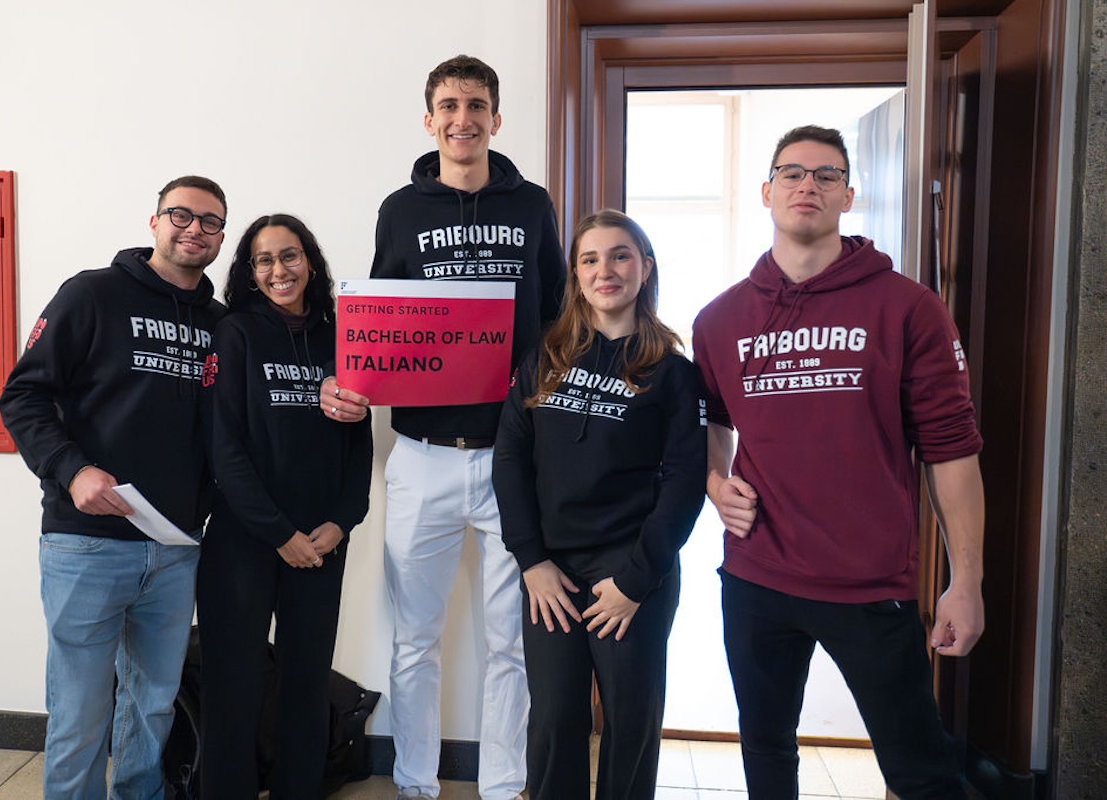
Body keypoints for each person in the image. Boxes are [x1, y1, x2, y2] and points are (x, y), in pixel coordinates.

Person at [692, 125, 985, 798]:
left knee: (919, 770)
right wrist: (714, 481)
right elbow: (712, 420)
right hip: (757, 579)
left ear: (848, 196)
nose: (809, 185)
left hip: (870, 584)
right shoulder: (719, 319)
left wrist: (966, 580)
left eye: (827, 175)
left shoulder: (908, 308)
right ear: (767, 191)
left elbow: (951, 450)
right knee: (766, 753)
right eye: (792, 173)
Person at [323, 54, 565, 800]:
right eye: (450, 106)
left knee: (510, 640)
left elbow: (558, 315)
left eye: (477, 105)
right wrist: (351, 382)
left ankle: (503, 785)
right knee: (414, 639)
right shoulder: (400, 209)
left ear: (497, 118)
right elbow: (380, 316)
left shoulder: (533, 205)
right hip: (421, 453)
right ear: (430, 121)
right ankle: (415, 784)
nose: (464, 119)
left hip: (512, 456)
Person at [0, 176, 229, 799]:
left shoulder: (220, 324)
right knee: (80, 713)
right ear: (154, 222)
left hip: (175, 547)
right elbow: (22, 396)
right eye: (181, 214)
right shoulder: (92, 294)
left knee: (152, 707)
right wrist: (73, 470)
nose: (195, 229)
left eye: (210, 221)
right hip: (87, 544)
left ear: (220, 237)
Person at [492, 210, 707, 799]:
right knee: (555, 720)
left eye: (620, 256)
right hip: (551, 572)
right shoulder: (543, 357)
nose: (604, 270)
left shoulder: (674, 373)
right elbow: (509, 459)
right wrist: (531, 561)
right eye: (590, 259)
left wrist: (636, 580)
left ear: (645, 268)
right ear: (576, 275)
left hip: (631, 570)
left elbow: (685, 482)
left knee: (630, 720)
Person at [195, 214, 373, 799]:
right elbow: (224, 448)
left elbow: (359, 444)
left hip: (321, 542)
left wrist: (342, 522)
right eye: (265, 260)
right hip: (244, 540)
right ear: (250, 272)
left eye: (290, 255)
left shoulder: (340, 337)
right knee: (234, 684)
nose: (279, 270)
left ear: (310, 263)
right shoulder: (235, 334)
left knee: (306, 683)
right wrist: (277, 533)